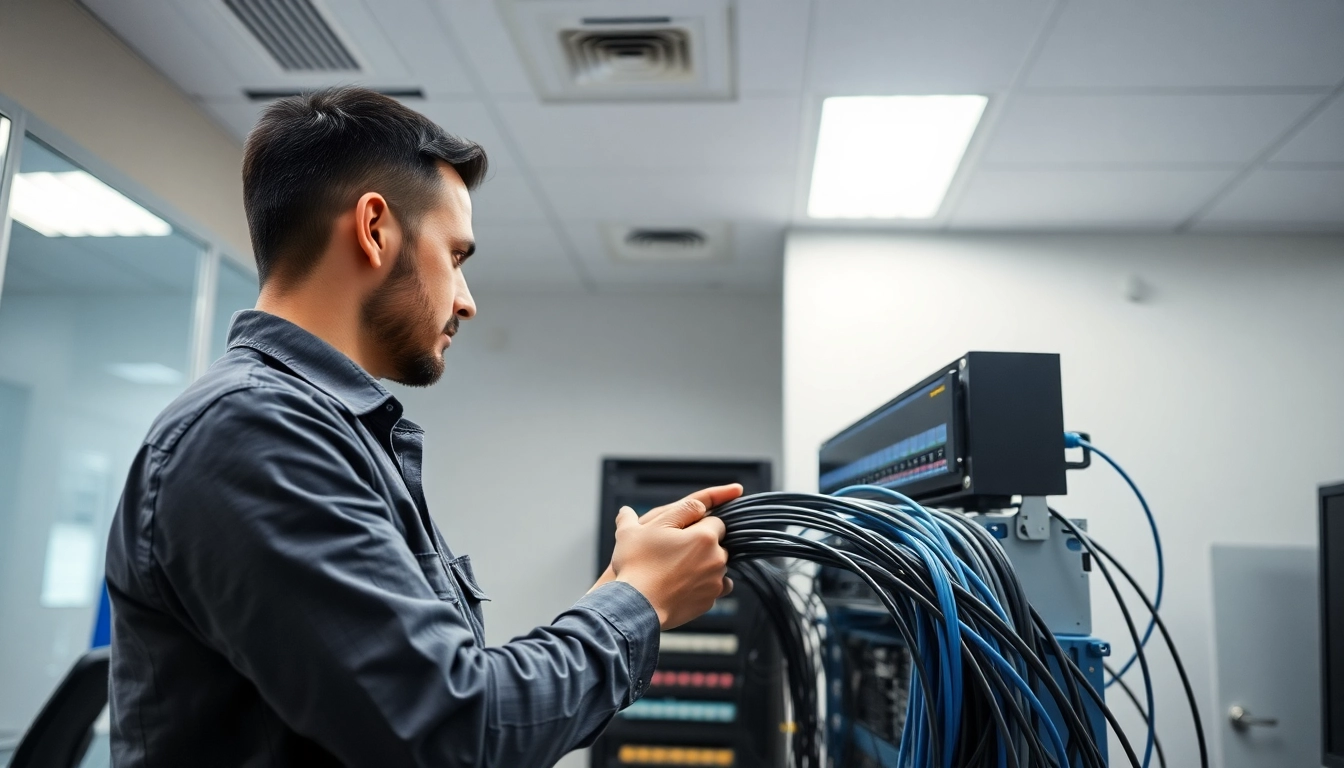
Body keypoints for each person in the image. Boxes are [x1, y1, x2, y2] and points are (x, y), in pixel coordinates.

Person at [104, 86, 739, 767]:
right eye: (457, 256)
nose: (465, 302)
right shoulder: (250, 432)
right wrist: (637, 603)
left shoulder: (324, 432)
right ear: (375, 228)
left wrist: (620, 586)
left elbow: (440, 694)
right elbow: (453, 732)